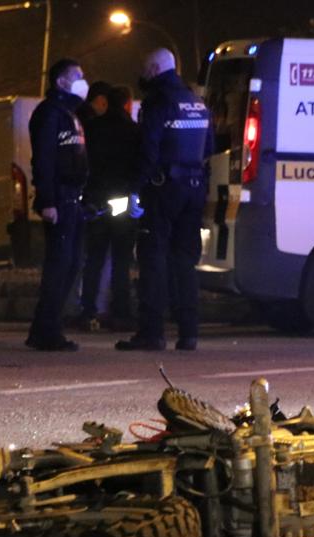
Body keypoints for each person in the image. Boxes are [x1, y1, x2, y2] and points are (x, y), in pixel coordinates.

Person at [116, 48, 213, 352]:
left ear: (156, 68)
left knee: (153, 258)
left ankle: (152, 332)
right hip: (195, 187)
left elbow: (148, 151)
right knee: (184, 261)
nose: (142, 74)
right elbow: (208, 146)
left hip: (162, 188)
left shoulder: (157, 103)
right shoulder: (197, 102)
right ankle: (188, 333)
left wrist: (134, 188)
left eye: (145, 68)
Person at [25, 58, 90, 352]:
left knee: (72, 264)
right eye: (76, 76)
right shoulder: (49, 114)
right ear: (60, 82)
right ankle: (47, 332)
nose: (82, 80)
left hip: (73, 200)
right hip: (60, 199)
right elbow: (44, 160)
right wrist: (48, 200)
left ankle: (45, 327)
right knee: (59, 266)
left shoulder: (70, 114)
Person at [79, 85, 140, 330]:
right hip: (123, 203)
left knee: (94, 259)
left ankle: (88, 310)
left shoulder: (93, 128)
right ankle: (121, 313)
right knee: (121, 261)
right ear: (127, 104)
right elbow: (138, 165)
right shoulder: (134, 131)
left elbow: (85, 163)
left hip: (97, 201)